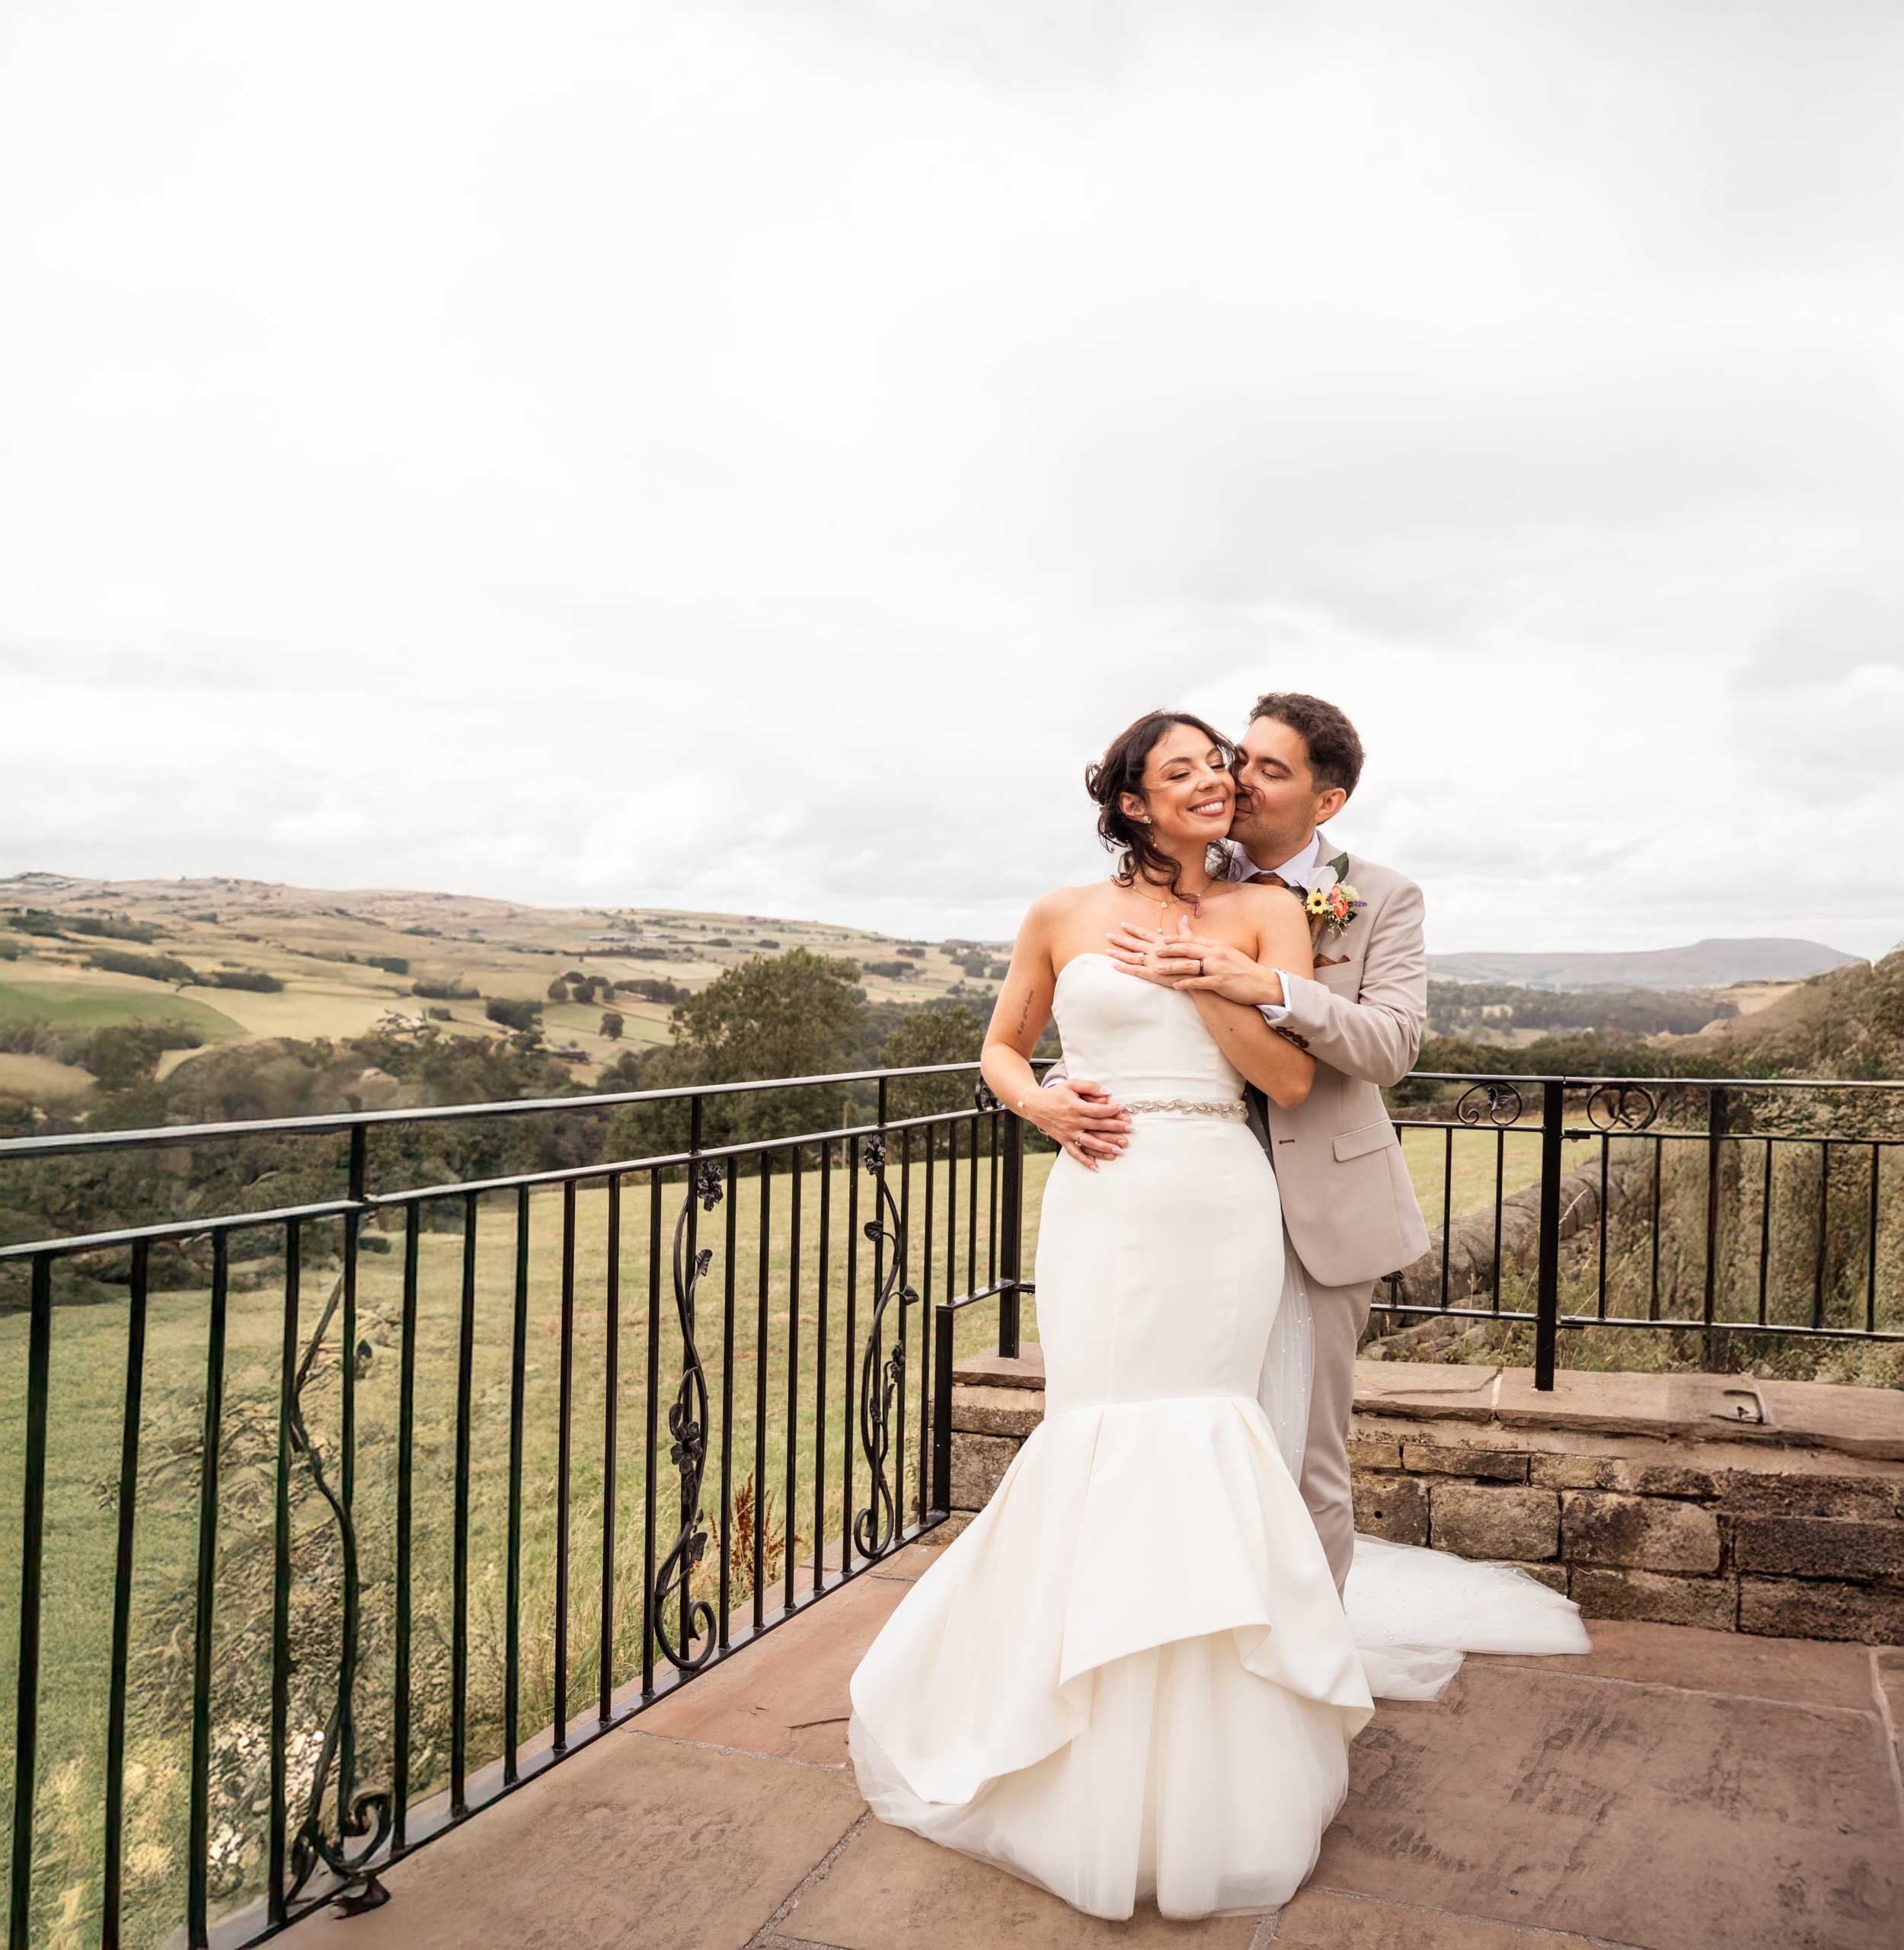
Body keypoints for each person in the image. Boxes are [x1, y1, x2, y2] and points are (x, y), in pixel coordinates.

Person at [845, 707, 1586, 1923]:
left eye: (1226, 765)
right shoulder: (1057, 913)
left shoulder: (1266, 911)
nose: (1217, 781)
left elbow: (1291, 1079)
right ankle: (1057, 1721)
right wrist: (1043, 1107)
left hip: (1220, 1201)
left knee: (1219, 1442)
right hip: (1099, 1195)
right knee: (1095, 1435)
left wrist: (1204, 980)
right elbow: (999, 1045)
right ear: (1133, 799)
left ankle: (1226, 1746)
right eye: (1185, 767)